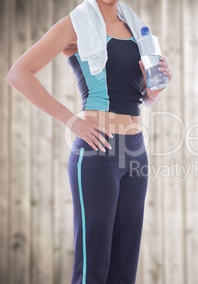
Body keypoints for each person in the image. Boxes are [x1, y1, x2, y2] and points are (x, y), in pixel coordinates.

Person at [6, 0, 172, 283]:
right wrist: (72, 121)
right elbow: (19, 74)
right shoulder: (75, 24)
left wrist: (154, 89)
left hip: (135, 151)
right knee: (94, 265)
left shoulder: (135, 29)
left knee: (124, 266)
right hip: (98, 153)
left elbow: (141, 95)